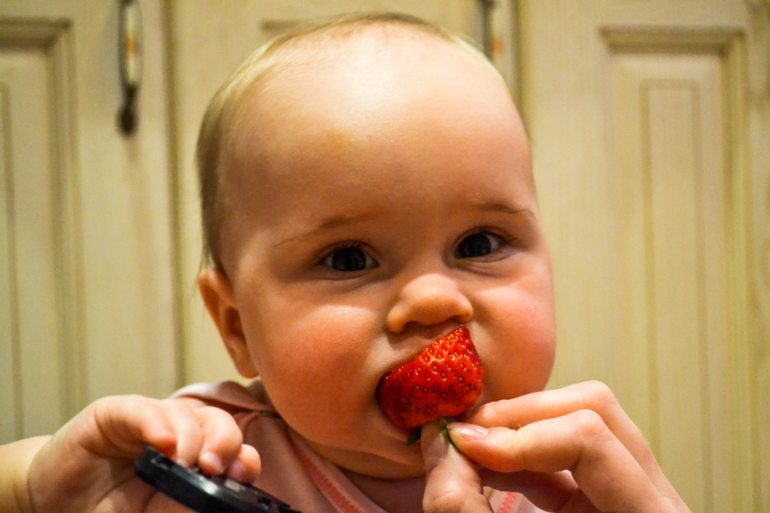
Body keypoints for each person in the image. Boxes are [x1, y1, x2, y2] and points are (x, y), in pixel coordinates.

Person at [0, 13, 689, 513]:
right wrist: (33, 490)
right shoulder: (211, 460)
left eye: (479, 244)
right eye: (349, 257)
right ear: (237, 325)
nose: (434, 300)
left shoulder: (571, 482)